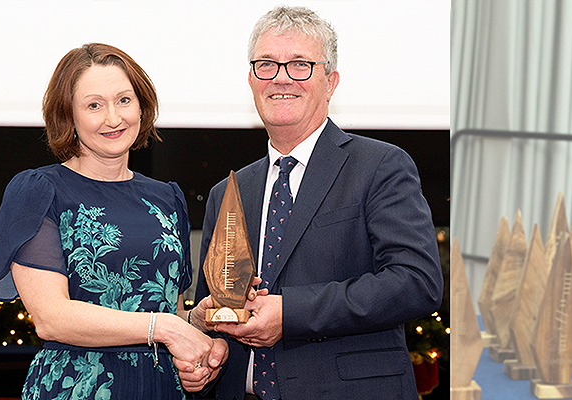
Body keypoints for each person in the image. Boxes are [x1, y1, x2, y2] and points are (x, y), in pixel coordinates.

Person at [179, 6, 444, 400]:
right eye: (266, 64)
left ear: (330, 81)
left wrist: (291, 313)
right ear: (251, 80)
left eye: (300, 65)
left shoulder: (380, 166)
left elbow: (416, 281)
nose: (281, 78)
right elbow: (217, 303)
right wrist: (202, 332)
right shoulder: (228, 191)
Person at [0, 43, 225, 399]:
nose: (113, 118)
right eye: (94, 105)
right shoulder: (40, 190)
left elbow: (161, 311)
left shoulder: (167, 198)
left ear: (142, 106)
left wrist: (194, 323)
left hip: (160, 387)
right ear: (69, 116)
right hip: (77, 386)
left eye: (124, 100)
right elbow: (51, 318)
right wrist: (167, 327)